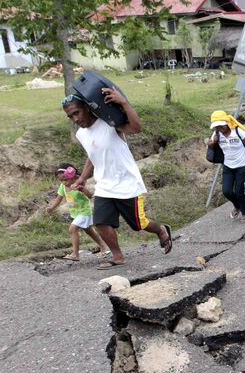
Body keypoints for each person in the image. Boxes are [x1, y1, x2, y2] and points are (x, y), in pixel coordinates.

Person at [62, 89, 172, 270]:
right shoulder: (82, 134)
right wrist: (83, 177)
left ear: (87, 108)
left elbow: (137, 128)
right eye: (70, 116)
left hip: (127, 183)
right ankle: (117, 255)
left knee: (139, 224)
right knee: (100, 221)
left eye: (76, 113)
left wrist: (123, 103)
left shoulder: (109, 123)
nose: (75, 119)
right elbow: (93, 153)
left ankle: (161, 230)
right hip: (104, 185)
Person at [45, 164, 110, 261]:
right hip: (75, 213)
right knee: (89, 231)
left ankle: (75, 254)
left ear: (73, 176)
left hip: (84, 211)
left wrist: (82, 189)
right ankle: (103, 246)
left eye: (66, 179)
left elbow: (90, 195)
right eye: (61, 180)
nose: (64, 182)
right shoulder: (63, 186)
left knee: (72, 229)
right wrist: (52, 208)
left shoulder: (79, 184)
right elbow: (59, 198)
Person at [208, 110, 245, 222]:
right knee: (226, 191)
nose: (219, 129)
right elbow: (210, 143)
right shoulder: (217, 134)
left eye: (221, 126)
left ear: (226, 122)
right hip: (228, 166)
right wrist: (212, 143)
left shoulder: (237, 130)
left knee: (239, 191)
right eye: (216, 127)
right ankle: (237, 205)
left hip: (242, 165)